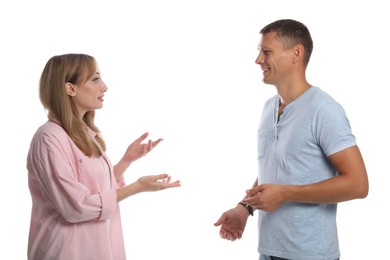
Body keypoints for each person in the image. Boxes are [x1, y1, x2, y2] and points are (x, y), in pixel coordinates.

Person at [214, 19, 369, 260]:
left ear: (296, 53)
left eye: (267, 52)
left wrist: (285, 193)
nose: (258, 60)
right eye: (259, 52)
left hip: (311, 255)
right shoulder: (269, 107)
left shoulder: (324, 110)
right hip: (268, 251)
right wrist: (245, 208)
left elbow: (358, 185)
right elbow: (278, 169)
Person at [27, 53, 181, 260]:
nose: (104, 87)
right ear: (70, 88)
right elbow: (76, 206)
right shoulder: (49, 138)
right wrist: (138, 187)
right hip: (66, 252)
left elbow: (97, 190)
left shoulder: (82, 133)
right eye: (95, 79)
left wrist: (127, 160)